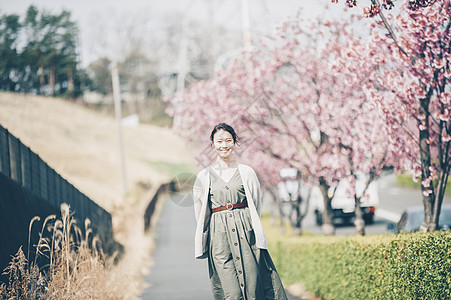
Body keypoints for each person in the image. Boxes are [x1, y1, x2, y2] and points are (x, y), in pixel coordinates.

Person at [192, 123, 288, 300]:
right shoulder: (203, 177)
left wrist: (251, 229)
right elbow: (200, 212)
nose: (224, 145)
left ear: (235, 143)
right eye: (219, 141)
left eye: (228, 140)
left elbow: (255, 205)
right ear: (212, 144)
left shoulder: (247, 172)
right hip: (219, 239)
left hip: (247, 235)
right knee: (232, 294)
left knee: (253, 289)